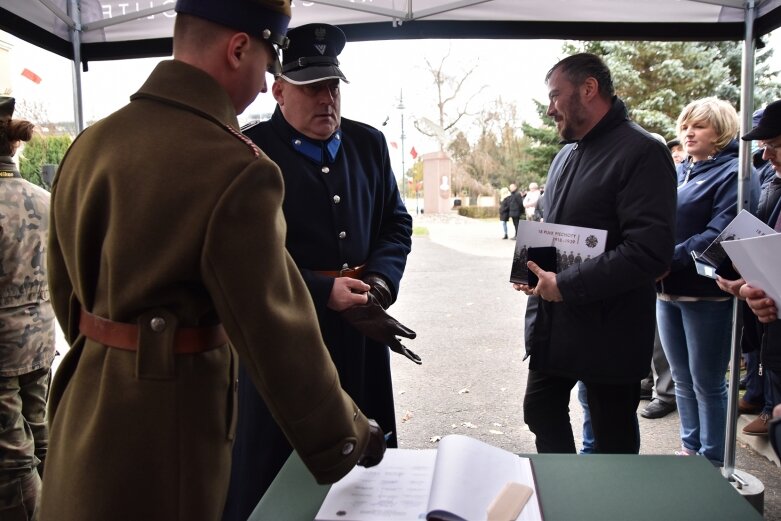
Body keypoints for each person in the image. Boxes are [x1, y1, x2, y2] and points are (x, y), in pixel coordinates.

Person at [40, 3, 387, 521]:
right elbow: (276, 332)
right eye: (270, 60)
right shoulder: (234, 167)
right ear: (239, 49)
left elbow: (66, 291)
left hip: (82, 413)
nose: (267, 76)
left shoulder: (93, 143)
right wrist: (348, 435)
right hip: (170, 436)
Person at [223, 23, 415, 520]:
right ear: (280, 90)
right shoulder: (249, 151)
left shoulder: (369, 145)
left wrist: (380, 281)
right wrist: (320, 289)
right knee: (278, 467)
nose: (325, 99)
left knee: (370, 464)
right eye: (310, 88)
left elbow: (395, 222)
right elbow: (238, 255)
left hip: (361, 333)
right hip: (283, 335)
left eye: (332, 86)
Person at [515, 53, 677, 455]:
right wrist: (531, 270)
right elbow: (546, 221)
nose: (550, 108)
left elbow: (649, 252)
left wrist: (565, 285)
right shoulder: (565, 155)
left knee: (612, 438)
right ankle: (565, 495)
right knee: (539, 409)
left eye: (555, 96)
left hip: (611, 330)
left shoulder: (642, 152)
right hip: (555, 324)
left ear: (589, 89)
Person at [656, 97, 759, 465]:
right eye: (685, 124)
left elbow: (721, 233)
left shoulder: (735, 173)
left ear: (722, 130)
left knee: (708, 383)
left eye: (698, 125)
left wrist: (669, 259)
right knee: (681, 380)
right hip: (667, 292)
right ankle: (690, 449)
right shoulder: (683, 170)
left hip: (707, 293)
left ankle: (714, 461)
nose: (688, 131)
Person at [0, 96, 56, 521]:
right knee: (41, 434)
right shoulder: (45, 198)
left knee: (12, 460)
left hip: (3, 346)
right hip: (40, 336)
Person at [717, 99, 781, 436]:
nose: (767, 156)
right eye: (765, 146)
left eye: (775, 145)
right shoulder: (776, 186)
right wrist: (749, 283)